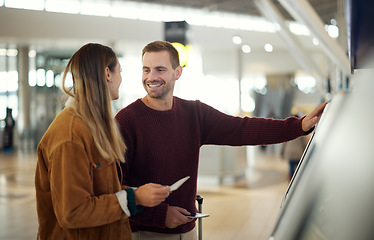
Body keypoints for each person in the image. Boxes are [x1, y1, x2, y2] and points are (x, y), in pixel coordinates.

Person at [115, 40, 327, 240]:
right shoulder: (126, 121)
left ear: (177, 72)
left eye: (160, 69)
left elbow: (242, 128)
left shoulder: (193, 113)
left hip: (188, 230)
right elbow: (113, 190)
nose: (151, 77)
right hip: (144, 233)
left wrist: (298, 126)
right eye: (146, 69)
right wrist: (159, 215)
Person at [35, 43, 170, 240]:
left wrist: (138, 193)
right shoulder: (70, 134)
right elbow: (72, 212)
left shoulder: (91, 126)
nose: (121, 79)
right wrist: (135, 198)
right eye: (120, 71)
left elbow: (101, 191)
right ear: (108, 74)